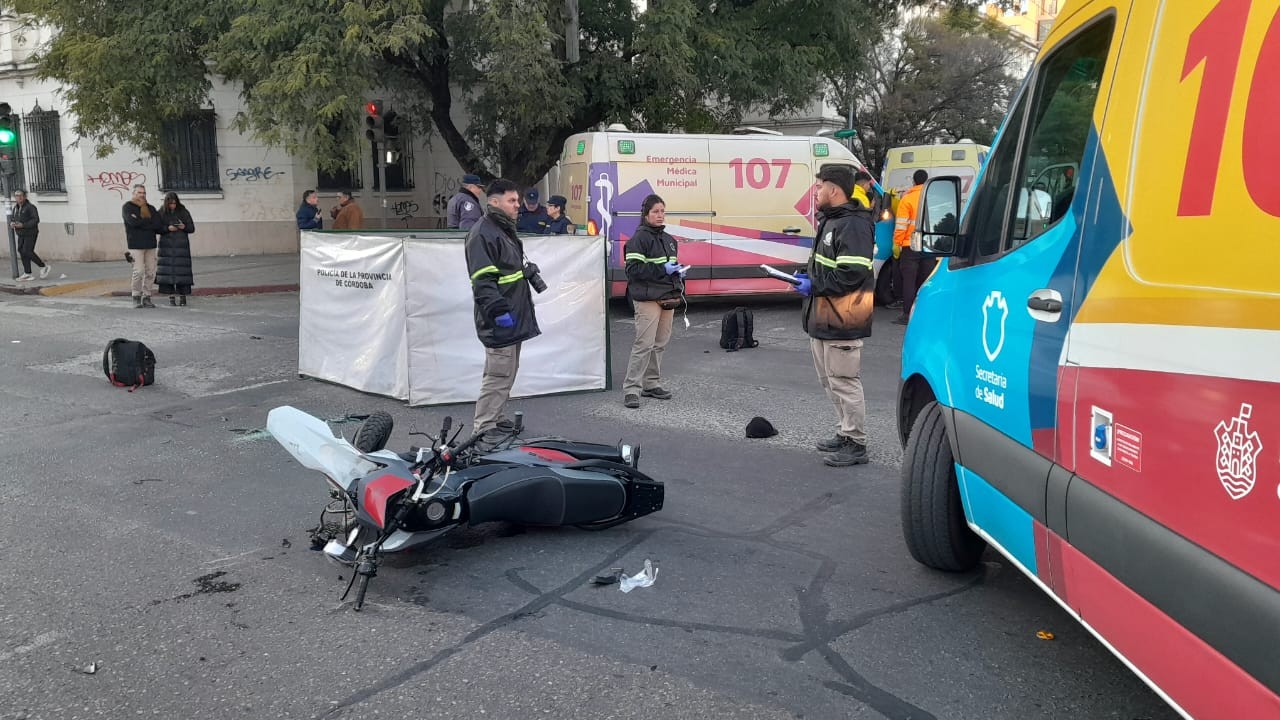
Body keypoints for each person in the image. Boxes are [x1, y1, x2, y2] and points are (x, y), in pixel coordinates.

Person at [794, 165, 875, 467]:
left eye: (818, 187)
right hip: (824, 316)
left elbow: (852, 274)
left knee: (844, 381)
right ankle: (845, 431)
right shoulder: (831, 220)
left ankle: (856, 443)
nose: (815, 192)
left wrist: (813, 285)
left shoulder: (853, 224)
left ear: (834, 190)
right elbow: (827, 266)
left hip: (845, 318)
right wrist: (805, 276)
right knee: (829, 381)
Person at [465, 179, 544, 440]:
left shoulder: (502, 229)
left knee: (507, 371)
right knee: (498, 374)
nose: (517, 205)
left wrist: (525, 272)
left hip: (513, 314)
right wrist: (499, 312)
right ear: (494, 202)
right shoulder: (482, 233)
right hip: (499, 318)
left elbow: (505, 270)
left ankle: (495, 418)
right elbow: (483, 280)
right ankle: (484, 428)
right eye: (512, 201)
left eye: (517, 201)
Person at [622, 194, 685, 409]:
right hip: (647, 298)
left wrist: (678, 273)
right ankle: (632, 389)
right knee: (644, 344)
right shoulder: (639, 239)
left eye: (662, 211)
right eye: (655, 212)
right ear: (646, 214)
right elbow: (633, 270)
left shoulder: (669, 241)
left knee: (660, 344)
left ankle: (651, 383)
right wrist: (663, 269)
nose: (660, 215)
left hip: (667, 296)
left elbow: (669, 268)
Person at [893, 169, 934, 325]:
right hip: (929, 245)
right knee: (926, 281)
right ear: (927, 181)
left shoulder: (907, 199)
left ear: (914, 182)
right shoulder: (932, 198)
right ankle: (925, 312)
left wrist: (897, 243)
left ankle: (907, 314)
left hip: (909, 246)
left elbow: (901, 225)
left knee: (909, 281)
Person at [123, 185, 162, 309]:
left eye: (144, 192)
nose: (142, 195)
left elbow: (158, 224)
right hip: (136, 245)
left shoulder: (150, 208)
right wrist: (148, 222)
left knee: (150, 272)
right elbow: (132, 223)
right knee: (138, 271)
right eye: (139, 192)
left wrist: (142, 222)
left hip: (150, 244)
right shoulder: (128, 207)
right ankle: (136, 296)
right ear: (133, 193)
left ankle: (147, 296)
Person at [156, 192, 196, 306]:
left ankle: (183, 297)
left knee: (182, 273)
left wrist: (184, 227)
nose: (173, 206)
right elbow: (157, 228)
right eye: (170, 204)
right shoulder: (161, 212)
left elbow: (192, 228)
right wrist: (167, 228)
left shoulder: (183, 211)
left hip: (181, 246)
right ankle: (171, 297)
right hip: (166, 247)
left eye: (174, 203)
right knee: (168, 273)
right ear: (166, 203)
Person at [11, 190, 48, 281]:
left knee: (27, 251)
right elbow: (13, 218)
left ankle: (43, 266)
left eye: (20, 195)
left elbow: (36, 219)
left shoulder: (30, 207)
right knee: (21, 250)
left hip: (31, 233)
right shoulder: (15, 208)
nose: (18, 197)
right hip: (21, 233)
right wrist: (13, 223)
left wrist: (23, 225)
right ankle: (27, 273)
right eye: (16, 196)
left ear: (25, 197)